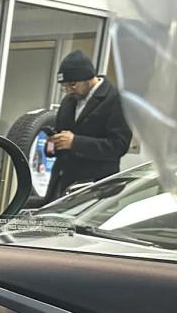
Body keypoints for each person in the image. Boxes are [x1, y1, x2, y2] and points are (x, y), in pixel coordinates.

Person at [44, 50, 131, 201]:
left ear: (89, 78)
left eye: (72, 85)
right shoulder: (68, 101)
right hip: (63, 186)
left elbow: (119, 145)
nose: (68, 90)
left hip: (97, 188)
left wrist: (75, 142)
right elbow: (61, 136)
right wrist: (53, 144)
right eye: (64, 86)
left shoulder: (116, 99)